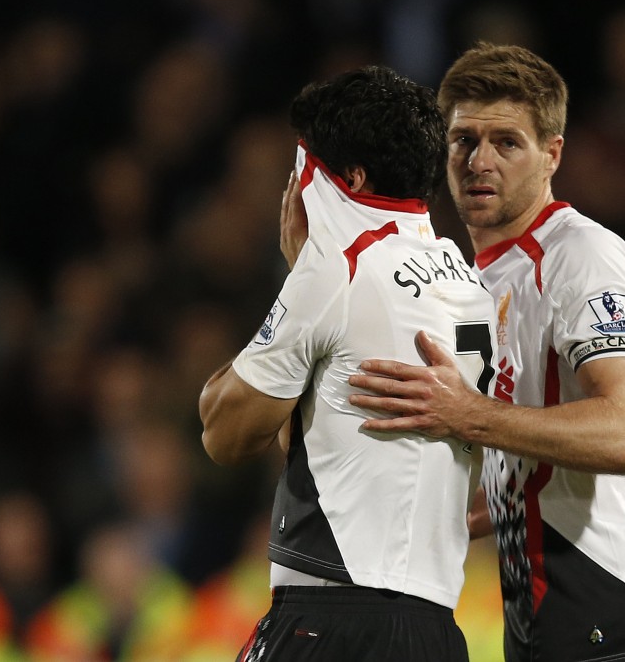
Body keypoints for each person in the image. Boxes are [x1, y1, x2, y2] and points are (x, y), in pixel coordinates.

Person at [346, 43, 625, 661]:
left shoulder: (580, 254)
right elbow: (530, 476)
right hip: (542, 623)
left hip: (617, 616)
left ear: (552, 154)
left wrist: (467, 415)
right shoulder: (473, 279)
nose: (480, 161)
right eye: (463, 141)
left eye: (507, 142)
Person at [198, 64, 498, 662]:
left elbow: (224, 434)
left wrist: (298, 279)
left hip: (332, 622)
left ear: (350, 178)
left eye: (302, 165)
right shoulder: (472, 285)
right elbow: (326, 446)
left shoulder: (338, 270)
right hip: (435, 631)